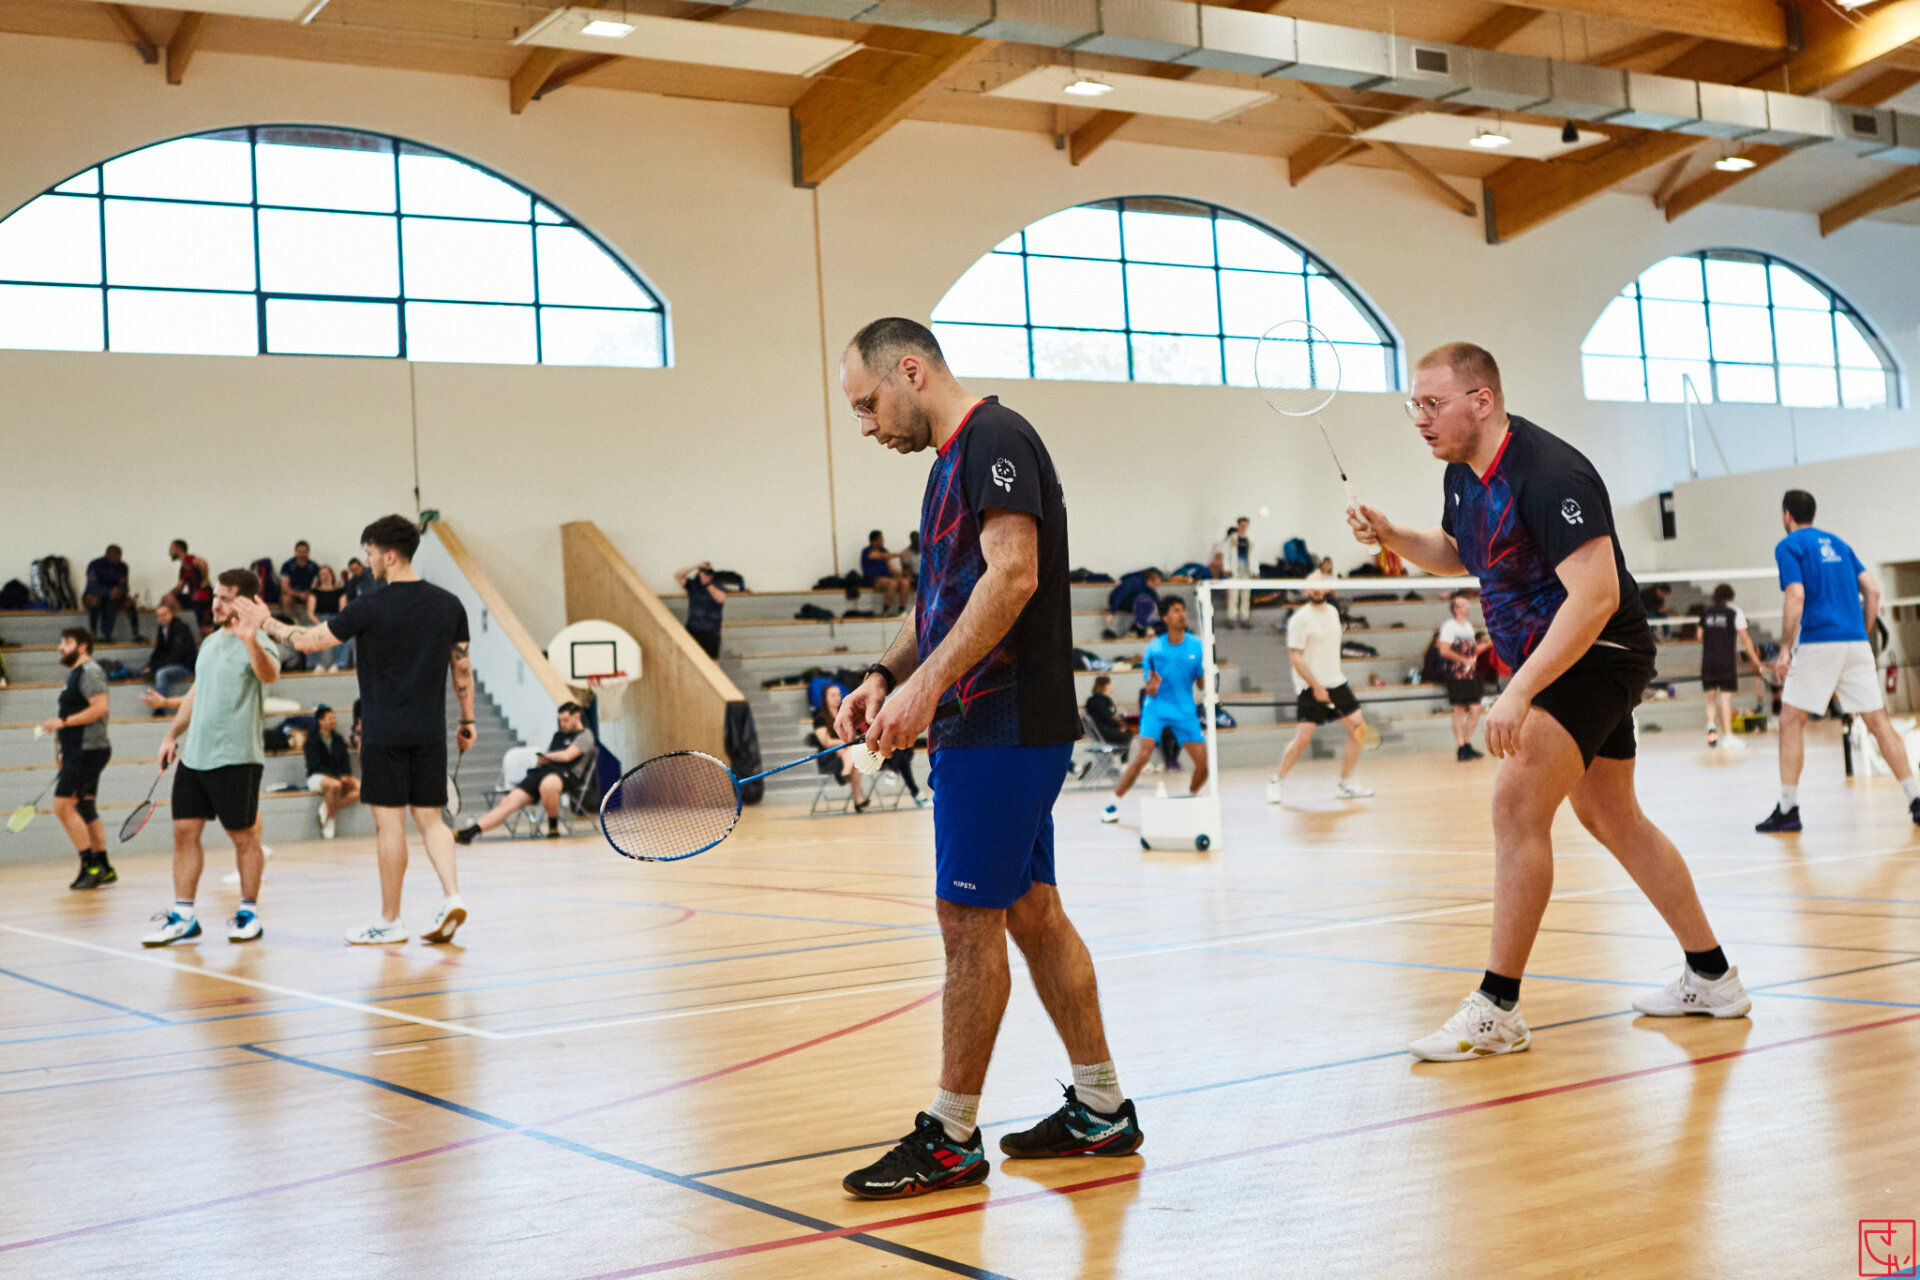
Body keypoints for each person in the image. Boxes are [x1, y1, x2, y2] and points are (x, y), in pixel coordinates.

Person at [1351, 341, 1747, 1062]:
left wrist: (1519, 690)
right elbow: (1458, 551)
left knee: (1515, 805)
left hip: (1596, 651)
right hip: (1561, 659)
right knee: (1613, 817)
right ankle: (1713, 977)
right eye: (1415, 405)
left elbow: (1594, 597)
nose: (1421, 418)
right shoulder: (1463, 475)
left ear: (1482, 401)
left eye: (1432, 403)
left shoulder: (1548, 472)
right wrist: (1393, 534)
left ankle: (1497, 1007)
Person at [833, 318, 1140, 1200]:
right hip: (986, 725)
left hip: (1002, 721)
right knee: (1033, 914)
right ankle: (1101, 1109)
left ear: (911, 371)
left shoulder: (994, 438)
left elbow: (1013, 576)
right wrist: (885, 674)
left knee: (967, 922)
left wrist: (926, 689)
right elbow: (942, 600)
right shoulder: (947, 467)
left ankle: (950, 1135)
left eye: (867, 404)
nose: (866, 426)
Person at [248, 515, 475, 946]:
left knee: (389, 826)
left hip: (384, 733)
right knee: (431, 819)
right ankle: (452, 896)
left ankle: (390, 920)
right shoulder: (449, 605)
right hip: (430, 730)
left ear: (389, 556)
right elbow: (462, 668)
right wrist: (468, 721)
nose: (367, 561)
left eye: (369, 553)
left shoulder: (368, 606)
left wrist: (266, 621)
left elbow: (308, 641)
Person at [1757, 491, 1920, 832]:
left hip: (1819, 642)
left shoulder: (1789, 546)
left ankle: (1788, 809)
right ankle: (1915, 798)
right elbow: (1873, 591)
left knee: (1791, 720)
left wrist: (1784, 648)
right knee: (1878, 722)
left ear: (1786, 515)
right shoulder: (1840, 544)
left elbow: (1796, 595)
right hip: (1856, 642)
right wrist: (1864, 631)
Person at [141, 569, 288, 945]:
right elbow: (197, 693)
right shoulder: (208, 643)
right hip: (195, 756)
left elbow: (269, 675)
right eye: (216, 596)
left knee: (244, 838)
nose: (215, 603)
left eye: (224, 598)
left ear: (245, 602)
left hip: (236, 757)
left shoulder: (259, 641)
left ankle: (248, 913)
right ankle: (184, 917)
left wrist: (250, 640)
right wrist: (171, 735)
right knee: (183, 832)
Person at [1268, 571, 1373, 802]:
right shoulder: (1300, 619)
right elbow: (1295, 657)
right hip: (1309, 685)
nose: (1316, 590)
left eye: (1320, 586)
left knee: (1359, 729)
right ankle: (1276, 781)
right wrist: (1315, 685)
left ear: (1326, 588)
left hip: (1336, 682)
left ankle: (1346, 783)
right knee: (1303, 739)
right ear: (1306, 590)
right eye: (1312, 587)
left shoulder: (1334, 613)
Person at [1101, 596, 1208, 822]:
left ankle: (1190, 799)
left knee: (1204, 766)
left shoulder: (1197, 646)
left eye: (1183, 610)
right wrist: (1152, 687)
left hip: (1184, 710)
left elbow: (1201, 683)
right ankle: (1113, 804)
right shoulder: (1154, 649)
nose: (1181, 614)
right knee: (1143, 755)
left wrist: (1209, 677)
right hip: (1157, 708)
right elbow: (1149, 688)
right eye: (1176, 610)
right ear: (1166, 617)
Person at [456, 702, 597, 842]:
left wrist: (548, 756)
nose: (562, 724)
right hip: (544, 771)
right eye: (560, 720)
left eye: (566, 720)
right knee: (509, 801)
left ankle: (553, 827)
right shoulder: (558, 735)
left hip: (567, 774)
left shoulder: (585, 735)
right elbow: (550, 757)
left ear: (577, 716)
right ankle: (471, 832)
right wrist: (543, 760)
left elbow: (567, 756)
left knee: (548, 785)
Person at [41, 628, 116, 891]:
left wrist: (63, 722)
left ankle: (90, 866)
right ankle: (104, 866)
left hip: (88, 750)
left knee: (62, 806)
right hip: (79, 750)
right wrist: (64, 750)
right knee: (84, 807)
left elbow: (100, 708)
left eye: (66, 642)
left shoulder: (90, 672)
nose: (60, 647)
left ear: (82, 646)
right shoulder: (76, 673)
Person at [1700, 583, 1765, 750]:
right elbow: (1745, 638)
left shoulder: (1706, 612)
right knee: (1725, 698)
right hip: (1726, 661)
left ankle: (1711, 724)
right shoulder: (1734, 612)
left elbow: (1700, 636)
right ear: (1730, 597)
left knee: (1711, 697)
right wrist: (1756, 660)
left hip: (1708, 660)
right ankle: (1728, 735)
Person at [1439, 592, 1491, 762]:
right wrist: (1464, 660)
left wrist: (1485, 646)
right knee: (1459, 709)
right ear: (1456, 609)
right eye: (1463, 604)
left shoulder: (1468, 626)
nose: (1468, 606)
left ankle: (1467, 743)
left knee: (1476, 709)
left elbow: (1470, 650)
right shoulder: (1449, 627)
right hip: (1455, 674)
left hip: (1470, 673)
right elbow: (1444, 650)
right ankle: (1461, 746)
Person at [809, 685, 869, 811]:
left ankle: (856, 794)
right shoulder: (820, 719)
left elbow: (854, 734)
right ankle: (857, 796)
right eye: (833, 695)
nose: (837, 698)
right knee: (853, 753)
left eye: (838, 695)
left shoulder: (846, 715)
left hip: (847, 754)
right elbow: (826, 742)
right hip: (829, 756)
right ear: (825, 698)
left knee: (854, 755)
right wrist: (845, 743)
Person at [305, 703, 359, 840]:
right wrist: (336, 777)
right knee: (334, 785)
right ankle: (330, 820)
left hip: (337, 776)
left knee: (362, 788)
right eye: (329, 718)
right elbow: (314, 765)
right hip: (317, 777)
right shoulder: (311, 741)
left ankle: (327, 807)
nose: (333, 721)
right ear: (320, 721)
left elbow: (345, 761)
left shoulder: (338, 739)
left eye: (334, 718)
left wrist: (346, 776)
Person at [139, 597, 198, 712]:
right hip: (170, 663)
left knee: (162, 674)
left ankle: (161, 709)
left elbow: (176, 656)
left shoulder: (180, 628)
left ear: (172, 614)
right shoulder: (162, 629)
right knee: (144, 669)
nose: (161, 618)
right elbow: (158, 651)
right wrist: (151, 665)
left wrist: (155, 667)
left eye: (164, 615)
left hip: (185, 666)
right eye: (159, 616)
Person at [83, 544, 140, 643]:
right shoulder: (95, 565)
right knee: (95, 600)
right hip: (97, 595)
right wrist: (109, 591)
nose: (117, 558)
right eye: (114, 555)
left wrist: (119, 590)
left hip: (115, 596)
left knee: (129, 603)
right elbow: (92, 586)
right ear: (107, 554)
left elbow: (125, 586)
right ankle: (93, 633)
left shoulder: (123, 567)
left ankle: (135, 634)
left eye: (119, 556)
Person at [674, 562, 727, 660]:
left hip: (711, 632)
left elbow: (721, 599)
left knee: (712, 661)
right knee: (690, 659)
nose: (706, 574)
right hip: (693, 629)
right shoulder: (693, 584)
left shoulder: (717, 585)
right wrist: (695, 566)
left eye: (708, 571)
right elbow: (678, 575)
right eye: (703, 571)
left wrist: (707, 584)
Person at [1213, 517, 1255, 629]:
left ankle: (1245, 618)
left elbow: (1254, 556)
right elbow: (1226, 555)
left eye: (1245, 525)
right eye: (1241, 525)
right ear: (1238, 525)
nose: (1243, 527)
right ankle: (1231, 618)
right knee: (1233, 596)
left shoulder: (1250, 539)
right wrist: (1226, 568)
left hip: (1246, 572)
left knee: (1246, 596)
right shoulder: (1231, 539)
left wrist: (1255, 571)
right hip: (1234, 572)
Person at [860, 530, 910, 615]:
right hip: (873, 579)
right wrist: (897, 555)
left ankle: (902, 609)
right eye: (880, 539)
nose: (882, 541)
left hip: (887, 577)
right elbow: (878, 556)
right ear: (874, 540)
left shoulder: (884, 550)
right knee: (892, 583)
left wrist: (900, 575)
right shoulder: (867, 551)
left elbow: (890, 567)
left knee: (905, 582)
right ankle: (885, 610)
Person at [310, 566, 348, 672]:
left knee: (344, 634)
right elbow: (310, 613)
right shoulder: (314, 592)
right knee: (309, 634)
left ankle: (338, 664)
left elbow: (342, 610)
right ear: (319, 577)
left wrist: (333, 623)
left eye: (327, 574)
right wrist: (319, 623)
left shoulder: (340, 591)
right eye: (322, 574)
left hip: (336, 619)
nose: (325, 576)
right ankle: (316, 665)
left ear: (332, 575)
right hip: (318, 619)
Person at [1104, 568, 1162, 639]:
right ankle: (1134, 631)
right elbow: (1120, 596)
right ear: (1150, 581)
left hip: (1134, 600)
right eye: (1155, 584)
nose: (1156, 586)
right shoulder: (1134, 582)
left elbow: (1156, 601)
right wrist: (1112, 612)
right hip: (1119, 599)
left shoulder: (1150, 588)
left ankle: (1137, 630)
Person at [169, 538, 212, 626]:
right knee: (170, 598)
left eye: (171, 548)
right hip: (194, 597)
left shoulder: (191, 561)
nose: (169, 552)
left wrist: (204, 579)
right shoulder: (184, 567)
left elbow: (202, 564)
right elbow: (180, 587)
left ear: (178, 548)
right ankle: (182, 623)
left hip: (201, 598)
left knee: (204, 626)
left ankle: (183, 624)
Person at [279, 541, 319, 625]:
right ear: (295, 552)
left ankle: (314, 623)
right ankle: (291, 623)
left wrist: (308, 594)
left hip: (308, 594)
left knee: (315, 598)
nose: (302, 554)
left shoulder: (314, 566)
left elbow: (316, 586)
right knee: (285, 599)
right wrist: (299, 594)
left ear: (308, 552)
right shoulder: (287, 566)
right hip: (292, 594)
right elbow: (285, 588)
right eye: (300, 552)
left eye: (304, 552)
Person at [1084, 674, 1130, 746]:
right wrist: (1119, 726)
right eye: (1110, 684)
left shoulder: (1092, 700)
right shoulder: (1102, 701)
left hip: (1098, 731)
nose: (1111, 687)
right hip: (1105, 731)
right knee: (1128, 733)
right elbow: (1106, 718)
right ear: (1106, 686)